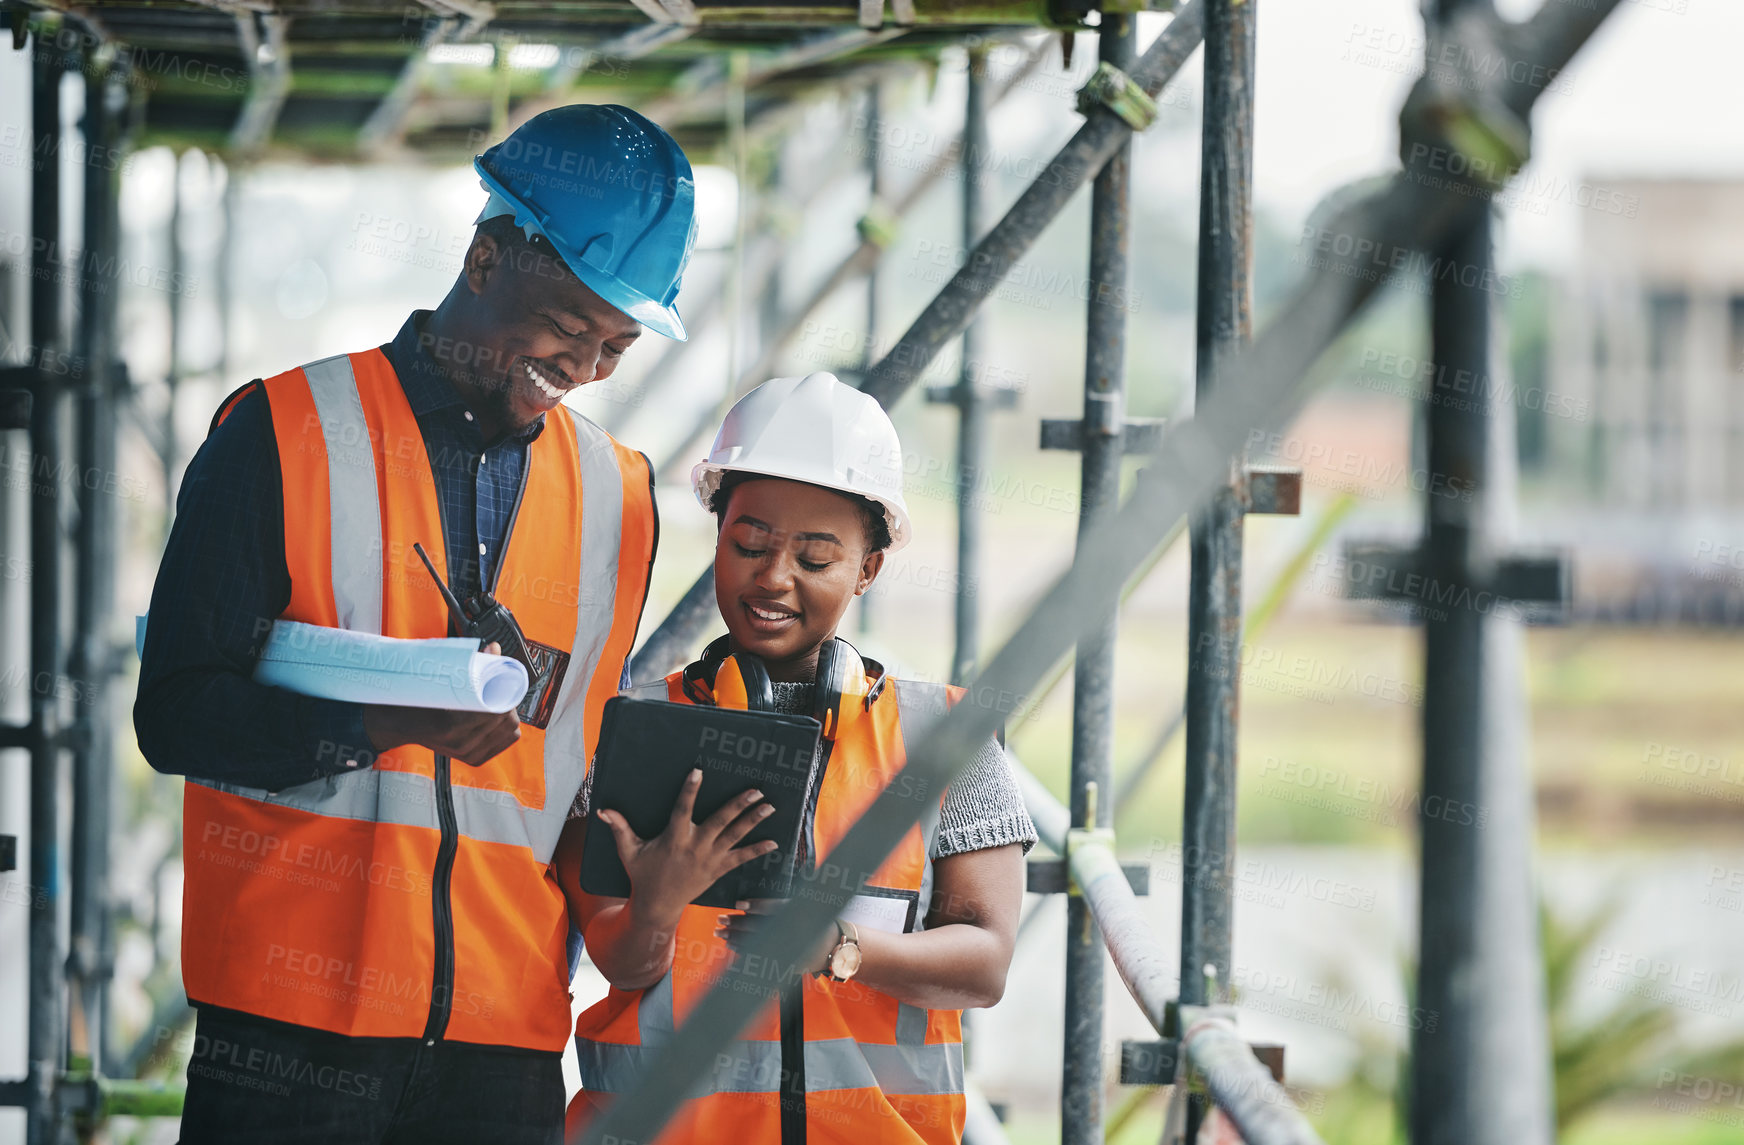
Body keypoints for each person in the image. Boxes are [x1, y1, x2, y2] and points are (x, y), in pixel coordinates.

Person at [134, 104, 697, 1145]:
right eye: (570, 327)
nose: (583, 367)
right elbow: (176, 713)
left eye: (615, 345)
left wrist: (643, 887)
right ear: (484, 258)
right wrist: (381, 717)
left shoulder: (619, 496)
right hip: (289, 1033)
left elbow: (572, 771)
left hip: (502, 1040)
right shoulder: (283, 432)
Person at [558, 372, 1038, 1145]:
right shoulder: (631, 727)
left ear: (868, 568)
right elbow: (622, 960)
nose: (773, 577)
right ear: (718, 535)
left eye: (815, 558)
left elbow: (984, 964)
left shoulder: (946, 737)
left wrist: (839, 947)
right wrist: (657, 899)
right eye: (749, 544)